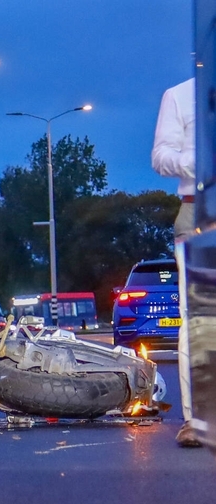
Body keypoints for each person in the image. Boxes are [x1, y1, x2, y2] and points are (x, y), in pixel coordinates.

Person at [151, 77, 201, 447]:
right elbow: (160, 156)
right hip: (198, 212)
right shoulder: (181, 94)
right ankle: (197, 419)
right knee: (198, 315)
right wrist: (191, 161)